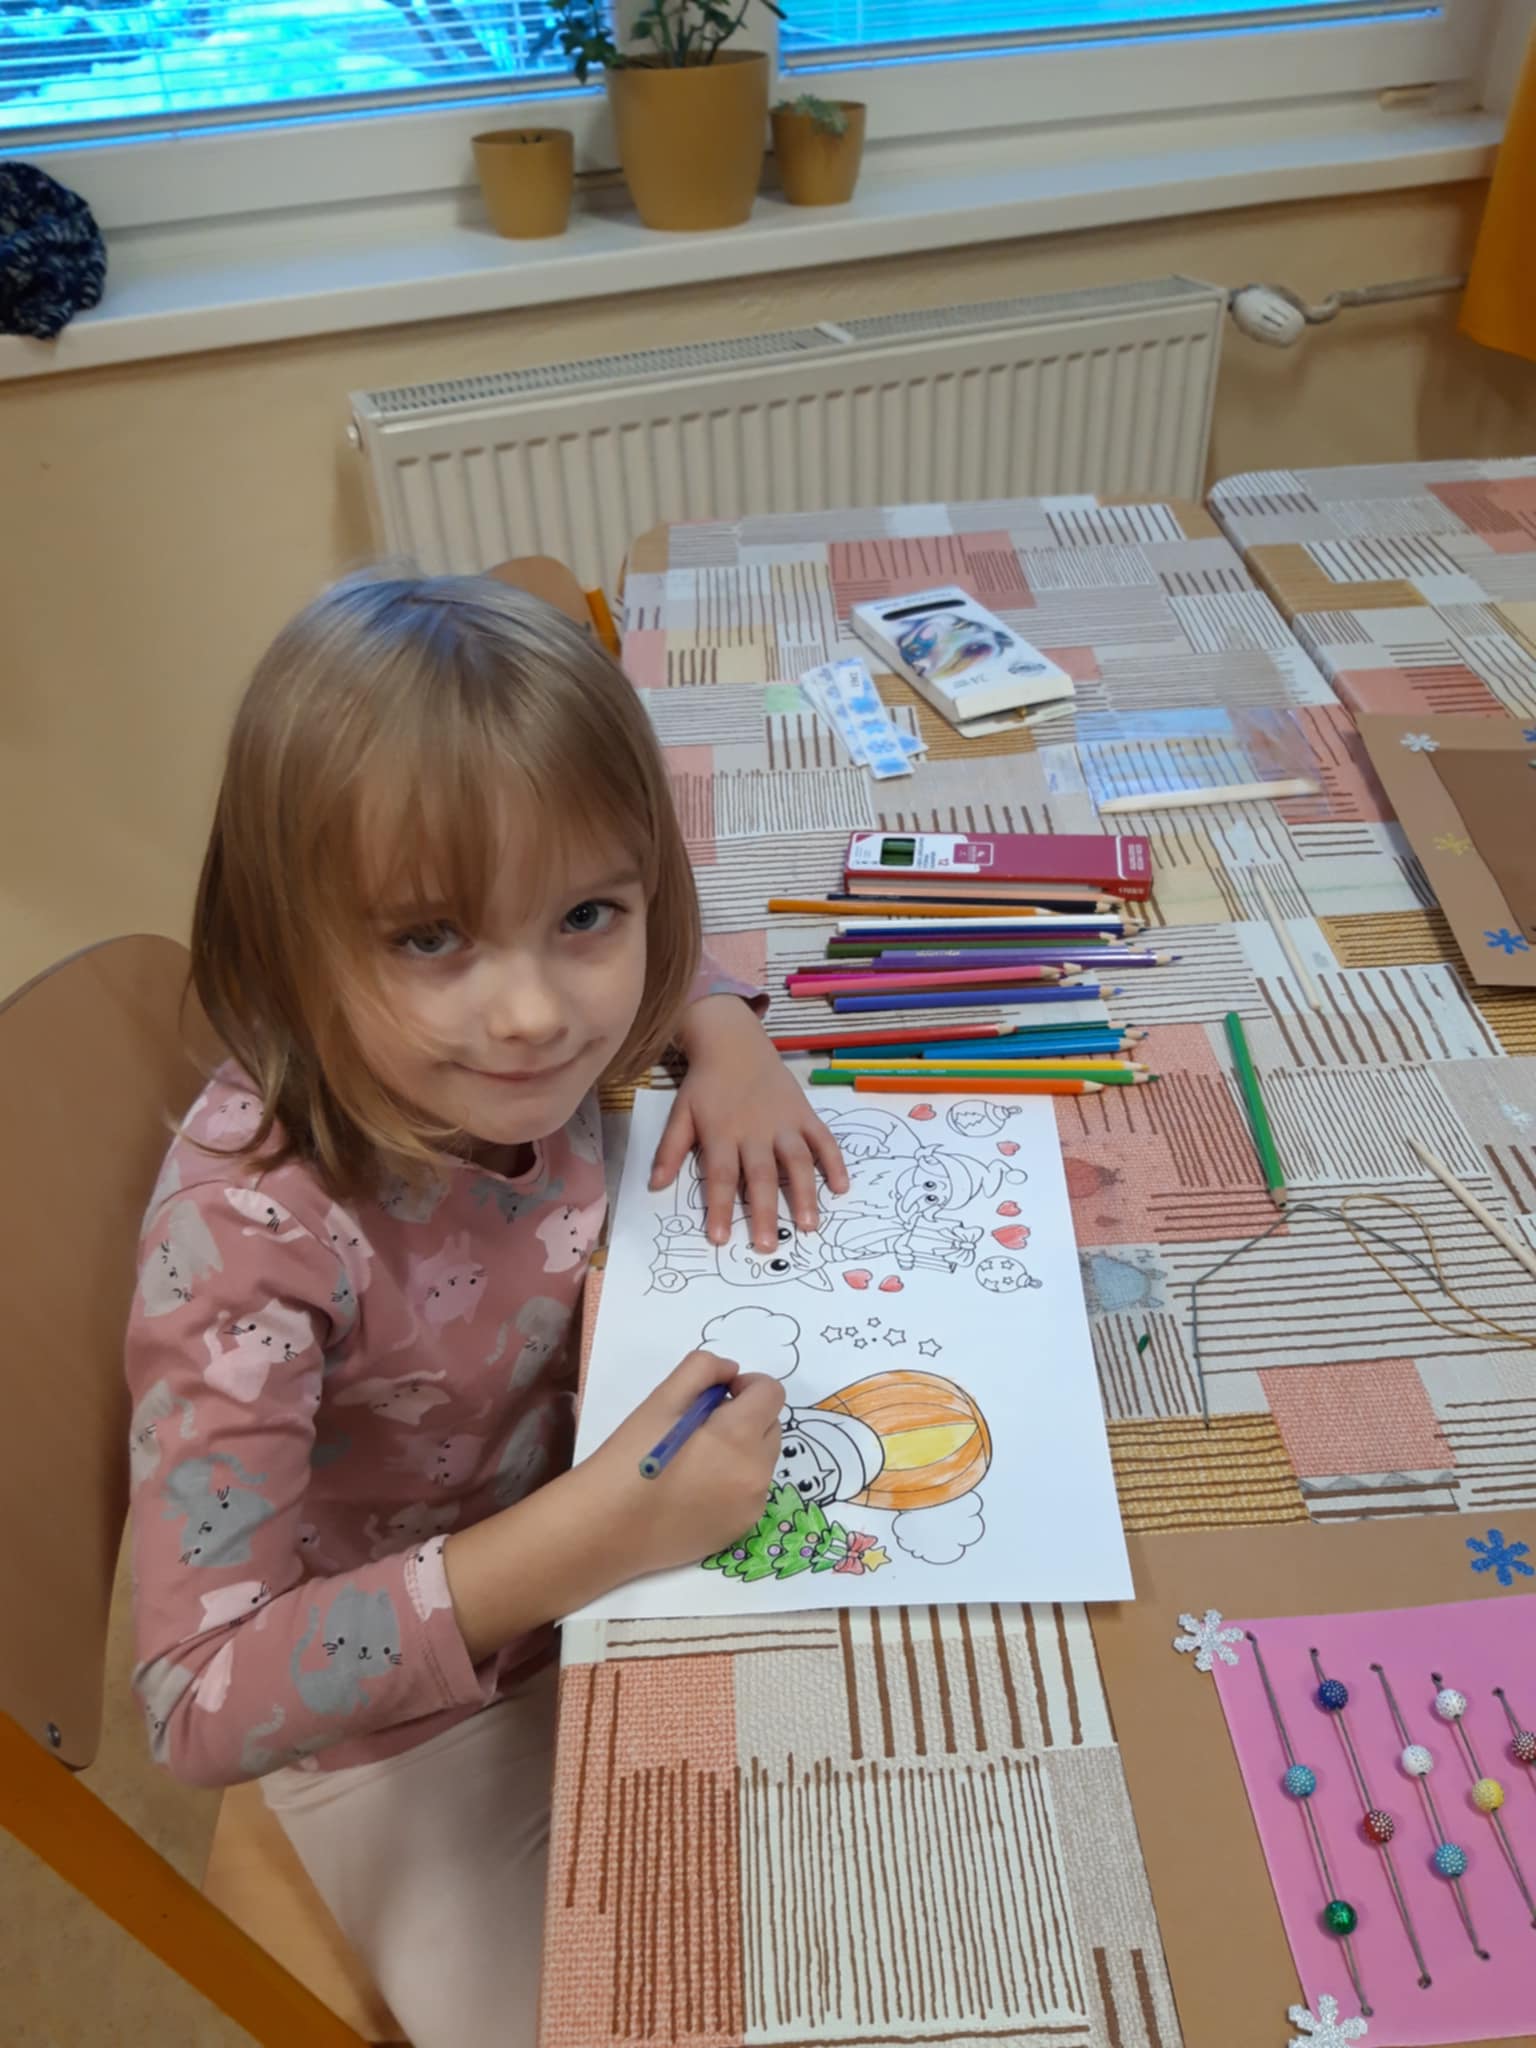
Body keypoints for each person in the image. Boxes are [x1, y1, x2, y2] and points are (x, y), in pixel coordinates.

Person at [124, 571, 848, 2047]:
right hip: (403, 1727)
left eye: (584, 917)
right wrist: (596, 1534)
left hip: (621, 1561)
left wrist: (726, 1036)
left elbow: (654, 931)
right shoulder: (243, 1238)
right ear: (283, 940)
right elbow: (196, 1699)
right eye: (428, 939)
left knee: (884, 1878)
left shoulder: (538, 1021)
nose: (535, 1016)